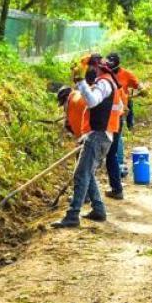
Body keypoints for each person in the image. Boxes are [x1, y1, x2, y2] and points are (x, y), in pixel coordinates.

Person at [51, 55, 115, 229]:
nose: (88, 71)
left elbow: (93, 102)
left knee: (81, 174)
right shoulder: (103, 82)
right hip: (98, 135)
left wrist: (80, 82)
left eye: (88, 67)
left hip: (97, 136)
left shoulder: (103, 83)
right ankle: (98, 209)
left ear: (96, 67)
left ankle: (72, 215)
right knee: (88, 173)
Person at [104, 53, 140, 199]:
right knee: (110, 154)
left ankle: (116, 183)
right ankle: (116, 187)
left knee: (111, 153)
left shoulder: (109, 83)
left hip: (112, 122)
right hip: (111, 121)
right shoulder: (109, 83)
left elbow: (137, 85)